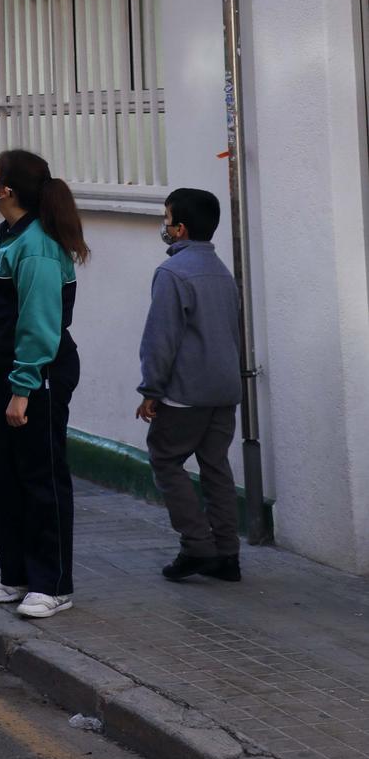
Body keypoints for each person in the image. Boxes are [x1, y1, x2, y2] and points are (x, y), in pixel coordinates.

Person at [0, 149, 88, 622]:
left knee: (41, 475)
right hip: (10, 375)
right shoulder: (8, 235)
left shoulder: (37, 244)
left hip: (36, 375)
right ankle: (18, 573)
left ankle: (53, 583)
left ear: (9, 189)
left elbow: (40, 325)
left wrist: (23, 387)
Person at [136, 186, 243, 584]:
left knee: (166, 460)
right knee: (216, 467)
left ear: (179, 229)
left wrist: (151, 391)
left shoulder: (172, 274)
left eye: (166, 220)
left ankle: (196, 546)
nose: (164, 227)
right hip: (225, 390)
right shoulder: (221, 272)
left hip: (185, 393)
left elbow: (161, 339)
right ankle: (228, 554)